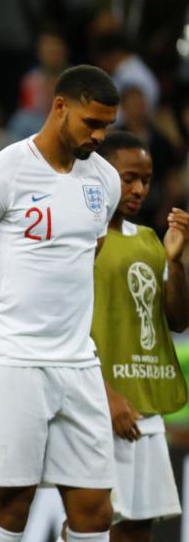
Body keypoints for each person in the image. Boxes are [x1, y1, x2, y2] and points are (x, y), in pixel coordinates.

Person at [0, 65, 122, 542]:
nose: (100, 135)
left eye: (107, 126)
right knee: (11, 503)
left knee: (95, 509)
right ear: (59, 106)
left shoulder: (104, 180)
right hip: (12, 359)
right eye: (91, 123)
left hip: (78, 362)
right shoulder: (0, 173)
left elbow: (81, 261)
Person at [91, 131, 188, 541]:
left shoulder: (149, 239)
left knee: (136, 527)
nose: (138, 189)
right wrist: (106, 394)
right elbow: (63, 324)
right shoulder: (78, 238)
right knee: (91, 520)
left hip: (144, 402)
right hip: (94, 401)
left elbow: (178, 320)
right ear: (100, 173)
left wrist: (175, 262)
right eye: (128, 177)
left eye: (145, 180)